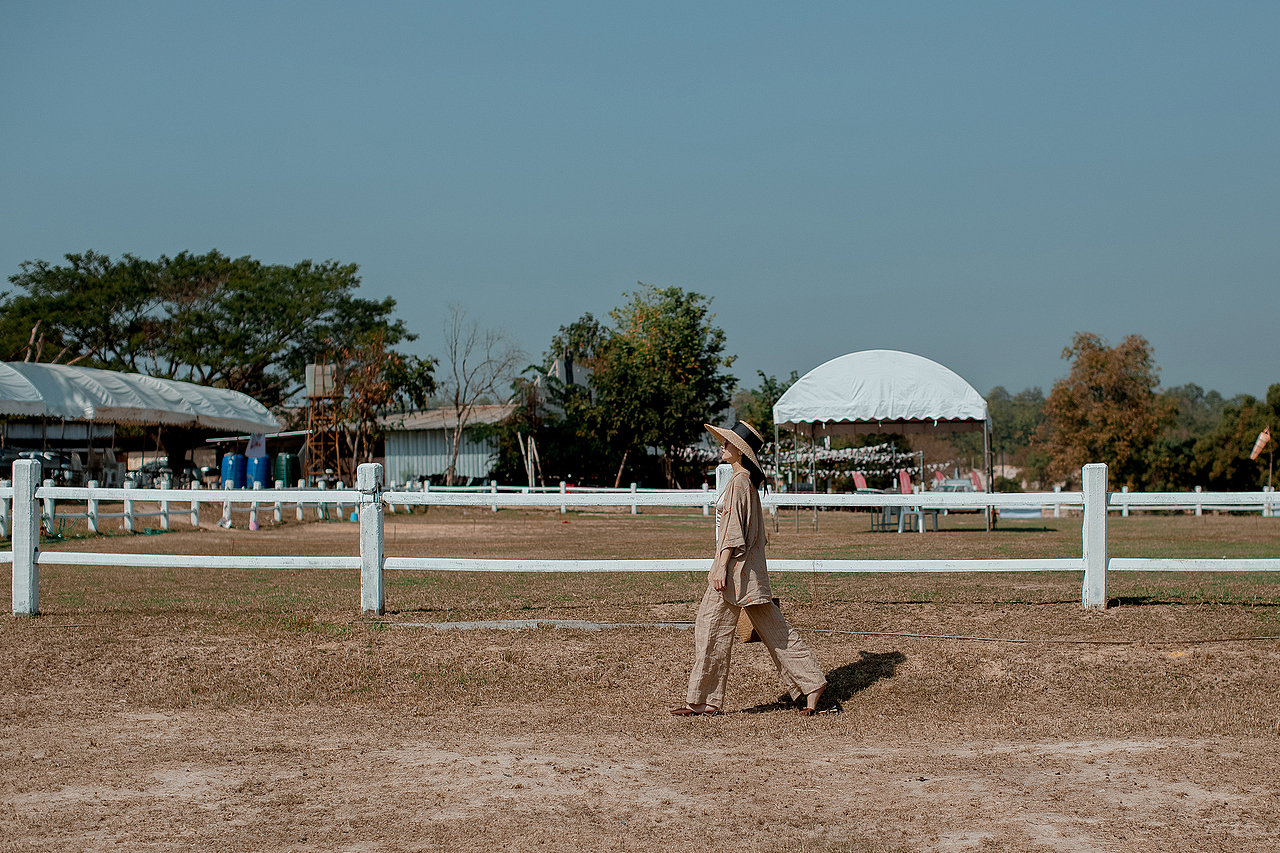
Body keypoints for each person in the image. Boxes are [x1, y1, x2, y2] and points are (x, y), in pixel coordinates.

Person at [672, 420, 829, 717]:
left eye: (728, 443)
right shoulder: (744, 482)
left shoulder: (741, 482)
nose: (722, 446)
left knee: (711, 627)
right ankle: (811, 685)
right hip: (746, 572)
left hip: (735, 572)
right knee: (770, 630)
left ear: (741, 451)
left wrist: (720, 567)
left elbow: (733, 531)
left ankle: (704, 701)